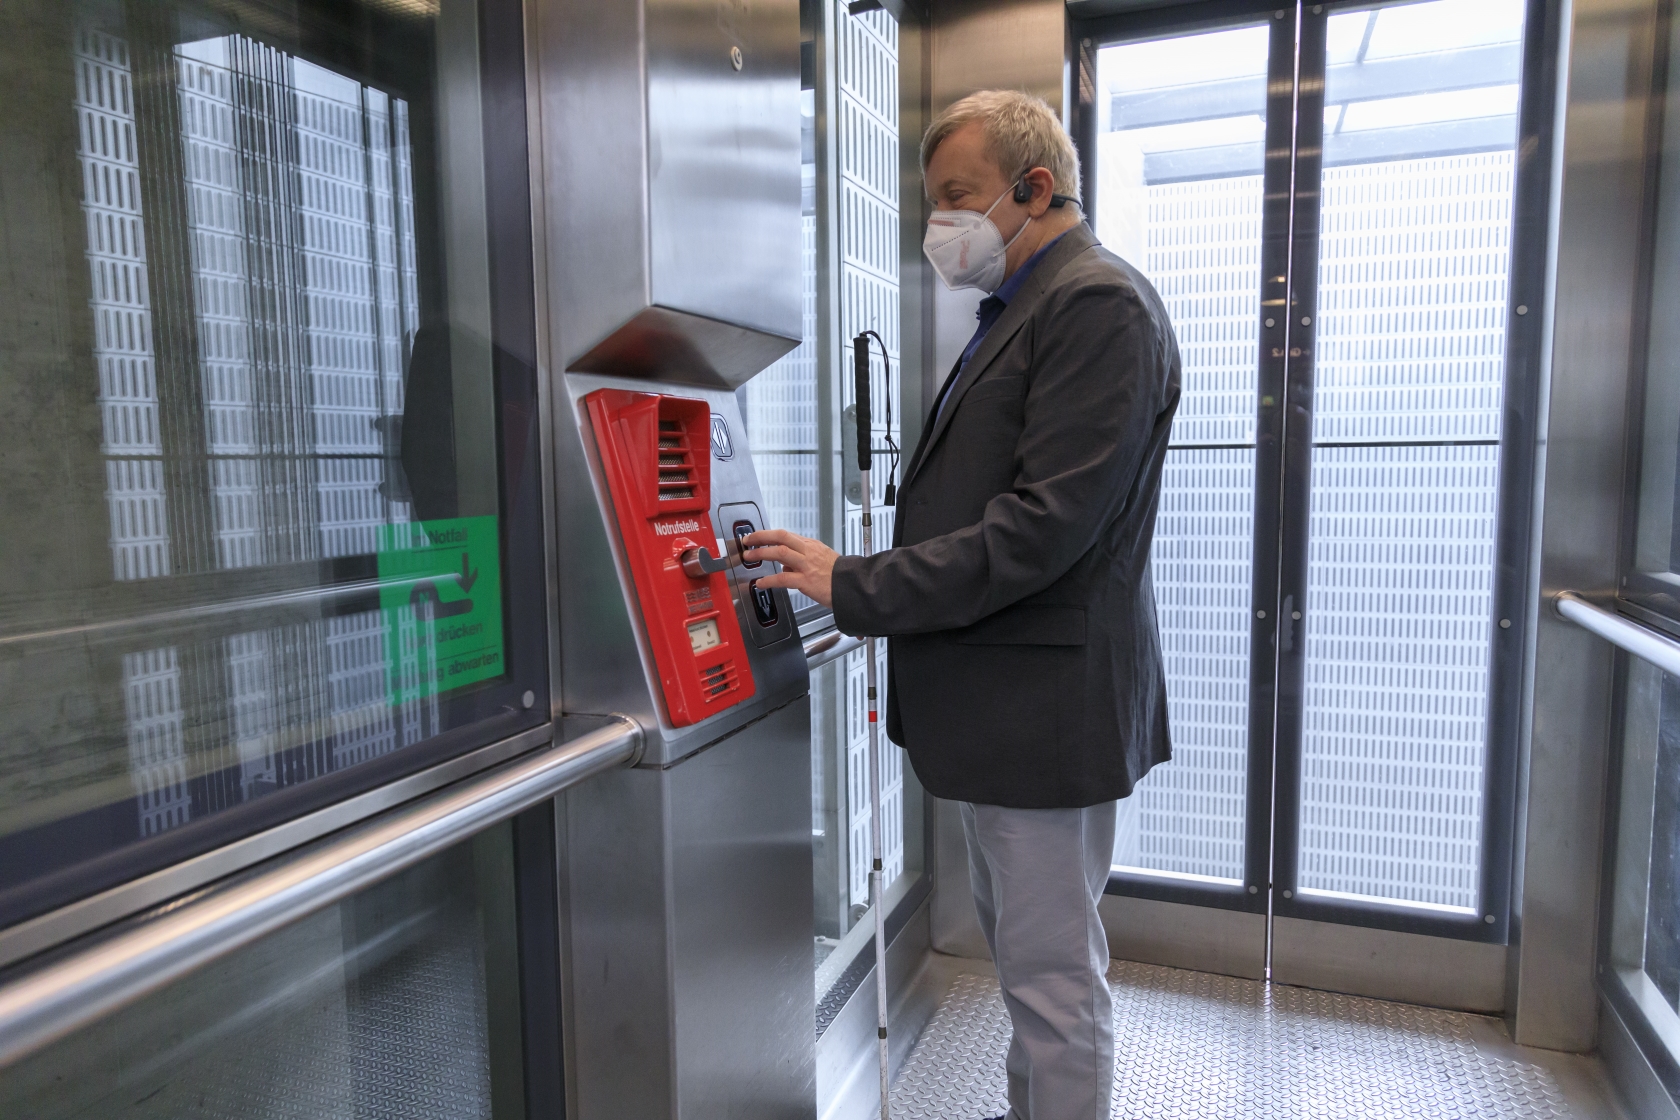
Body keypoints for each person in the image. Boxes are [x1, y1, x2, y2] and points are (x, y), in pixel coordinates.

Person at [745, 89, 1180, 1120]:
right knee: (1032, 963)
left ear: (1034, 188)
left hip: (1045, 714)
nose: (941, 224)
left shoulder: (1095, 304)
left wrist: (855, 582)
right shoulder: (1023, 307)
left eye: (958, 197)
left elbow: (1040, 529)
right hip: (1007, 712)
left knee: (1054, 979)